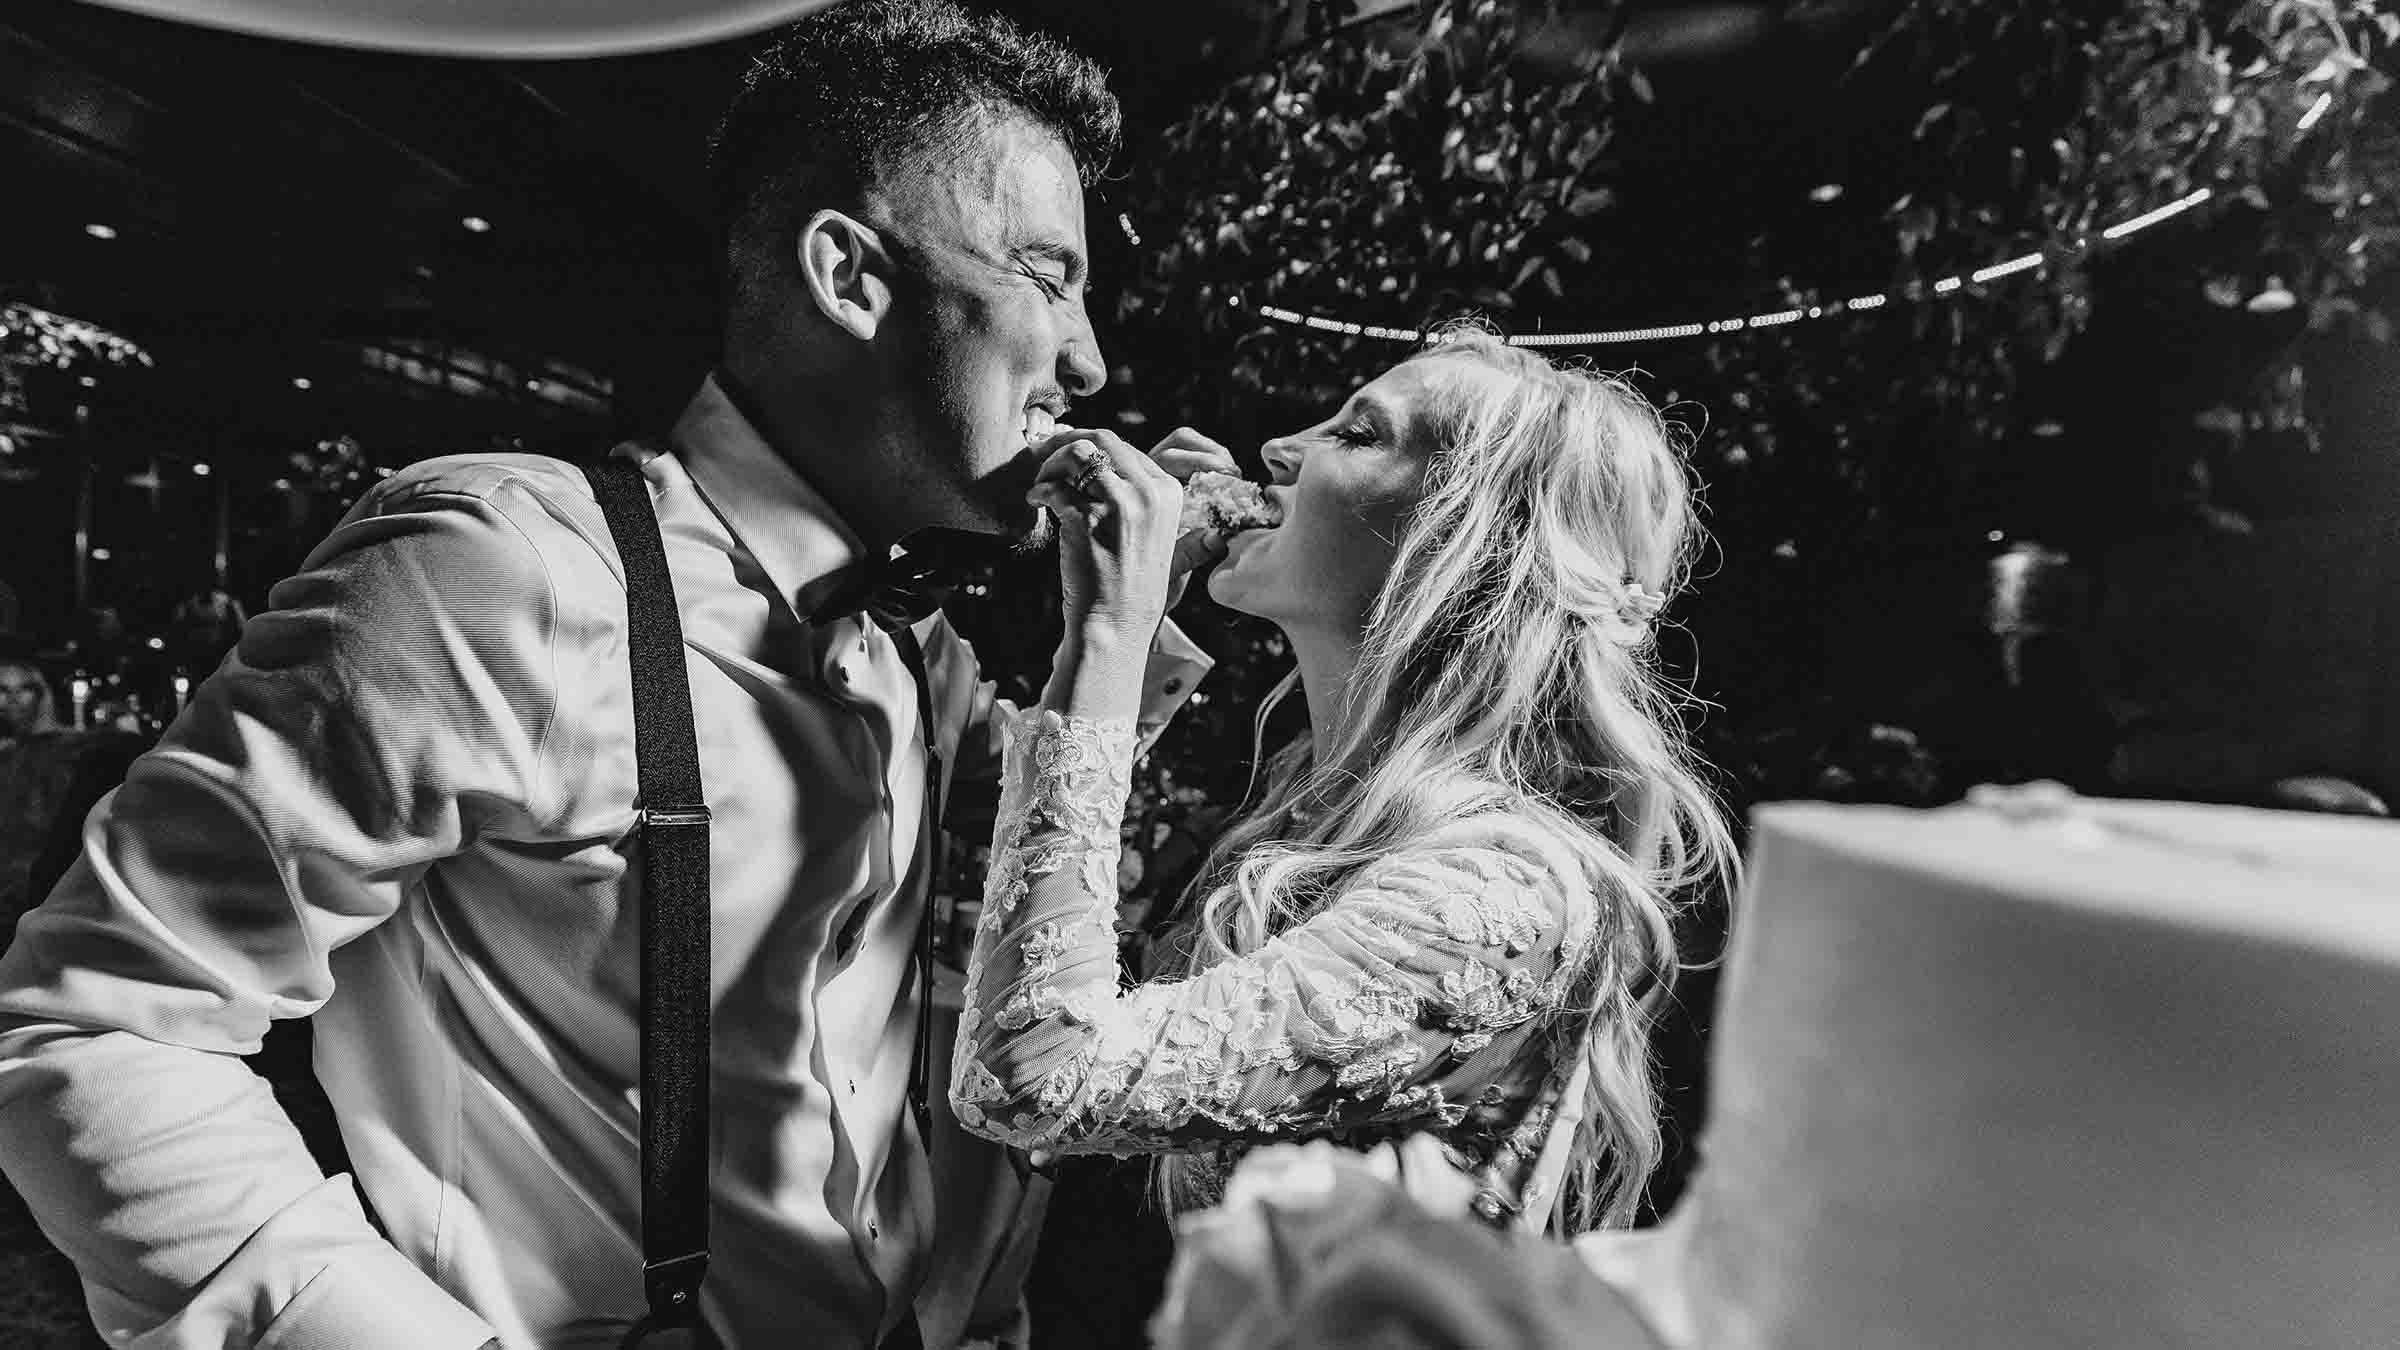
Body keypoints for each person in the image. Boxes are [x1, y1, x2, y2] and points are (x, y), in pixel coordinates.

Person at [0, 5, 1217, 1348]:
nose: (1093, 358)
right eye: (1047, 273)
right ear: (849, 276)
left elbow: (1043, 889)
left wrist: (1154, 601)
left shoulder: (910, 653)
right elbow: (96, 1028)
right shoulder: (512, 565)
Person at [951, 326, 1741, 1234]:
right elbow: (1023, 906)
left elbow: (1036, 1074)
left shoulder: (1500, 894)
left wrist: (1107, 634)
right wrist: (1133, 641)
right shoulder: (1330, 811)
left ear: (1472, 548)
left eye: (1359, 433)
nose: (1279, 450)